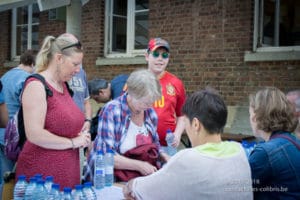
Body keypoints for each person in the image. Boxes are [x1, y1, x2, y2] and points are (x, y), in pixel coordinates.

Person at [123, 88, 253, 200]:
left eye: (185, 123)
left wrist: (130, 184)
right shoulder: (239, 151)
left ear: (195, 124)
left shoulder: (189, 159)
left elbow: (143, 189)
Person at [15, 33, 91, 189]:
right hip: (42, 176)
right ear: (59, 58)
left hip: (66, 173)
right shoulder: (36, 85)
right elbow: (35, 134)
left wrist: (80, 131)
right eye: (75, 64)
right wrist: (73, 142)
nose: (78, 70)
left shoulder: (63, 85)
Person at [84, 69, 168, 182]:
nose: (149, 106)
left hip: (137, 181)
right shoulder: (112, 111)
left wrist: (164, 157)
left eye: (152, 102)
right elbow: (105, 156)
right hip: (110, 180)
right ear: (131, 93)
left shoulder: (150, 113)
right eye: (145, 102)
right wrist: (139, 165)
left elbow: (155, 145)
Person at [248, 87, 300, 199]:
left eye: (250, 114)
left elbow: (238, 188)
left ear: (256, 117)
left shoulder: (265, 153)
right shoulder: (293, 140)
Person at [145, 38, 186, 153]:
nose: (160, 59)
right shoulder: (136, 81)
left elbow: (182, 115)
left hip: (168, 146)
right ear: (147, 56)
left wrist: (177, 135)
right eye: (156, 54)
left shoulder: (176, 83)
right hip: (142, 146)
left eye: (164, 55)